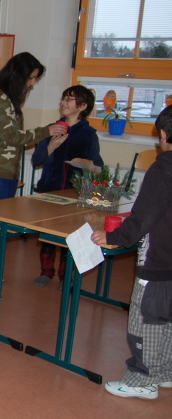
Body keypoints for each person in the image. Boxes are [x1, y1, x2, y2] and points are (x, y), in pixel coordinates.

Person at [92, 104, 172, 400]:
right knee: (168, 319)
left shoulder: (163, 169)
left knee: (146, 319)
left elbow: (145, 216)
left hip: (158, 260)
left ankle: (142, 379)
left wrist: (116, 237)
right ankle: (165, 371)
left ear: (163, 135)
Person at [0, 52, 67, 298]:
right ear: (18, 75)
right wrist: (46, 131)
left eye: (35, 79)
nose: (32, 84)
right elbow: (12, 137)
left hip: (6, 172)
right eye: (31, 78)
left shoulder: (8, 100)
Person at [32, 85, 104, 287]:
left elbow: (98, 166)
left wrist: (85, 163)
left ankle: (66, 275)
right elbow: (36, 160)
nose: (64, 102)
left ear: (82, 106)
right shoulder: (52, 128)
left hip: (74, 194)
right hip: (49, 190)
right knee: (47, 235)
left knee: (69, 236)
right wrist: (51, 146)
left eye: (69, 99)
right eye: (63, 98)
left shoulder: (88, 134)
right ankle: (46, 271)